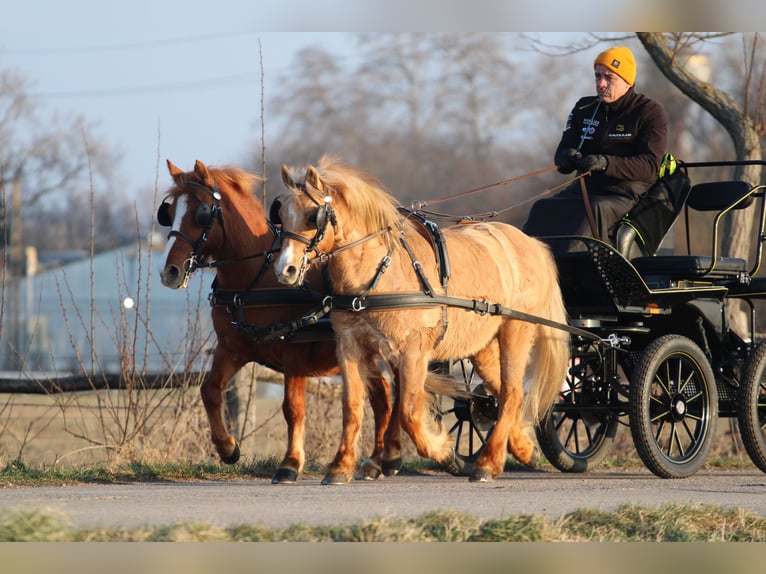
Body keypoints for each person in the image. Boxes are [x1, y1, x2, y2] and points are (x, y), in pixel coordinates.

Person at [522, 46, 668, 253]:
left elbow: (649, 167)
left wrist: (606, 163)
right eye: (597, 76)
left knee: (594, 208)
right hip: (583, 188)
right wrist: (566, 158)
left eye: (609, 78)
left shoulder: (649, 112)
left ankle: (575, 270)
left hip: (625, 193)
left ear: (627, 81)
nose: (601, 84)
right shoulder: (584, 107)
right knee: (542, 208)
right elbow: (562, 154)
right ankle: (530, 268)